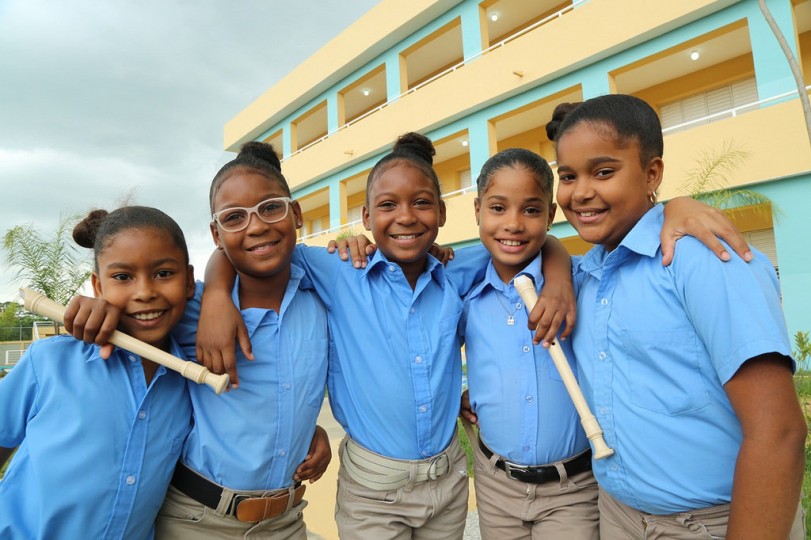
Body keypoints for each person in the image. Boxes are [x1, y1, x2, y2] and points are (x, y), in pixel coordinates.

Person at [548, 94, 806, 539]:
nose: (581, 192)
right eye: (567, 176)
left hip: (713, 523)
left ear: (652, 173)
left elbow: (779, 431)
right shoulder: (585, 274)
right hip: (619, 515)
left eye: (603, 172)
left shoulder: (703, 258)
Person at [64, 143, 332, 540]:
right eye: (234, 218)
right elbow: (131, 301)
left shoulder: (323, 299)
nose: (256, 226)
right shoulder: (190, 309)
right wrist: (96, 307)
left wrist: (307, 429)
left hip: (287, 520)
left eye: (271, 208)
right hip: (198, 521)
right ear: (216, 233)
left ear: (295, 213)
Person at [0, 206, 195, 539]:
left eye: (163, 273)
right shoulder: (49, 361)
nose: (145, 291)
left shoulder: (192, 381)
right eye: (122, 277)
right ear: (98, 287)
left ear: (190, 281)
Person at [459, 148, 598, 539]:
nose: (514, 224)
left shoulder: (578, 285)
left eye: (532, 210)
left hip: (573, 489)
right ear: (477, 210)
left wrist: (560, 274)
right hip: (495, 483)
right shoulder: (464, 292)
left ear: (551, 216)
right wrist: (454, 394)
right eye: (498, 208)